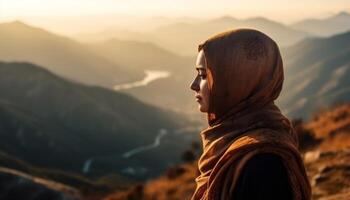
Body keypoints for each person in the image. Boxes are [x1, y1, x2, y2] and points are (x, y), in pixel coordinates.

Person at [189, 29, 311, 200]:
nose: (193, 85)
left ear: (235, 79)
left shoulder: (264, 165)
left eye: (203, 75)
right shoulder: (233, 143)